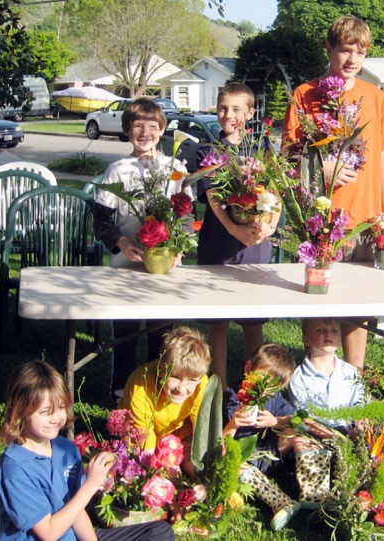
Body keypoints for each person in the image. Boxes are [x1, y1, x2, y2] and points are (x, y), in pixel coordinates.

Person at [281, 15, 384, 370]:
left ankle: (354, 381)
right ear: (329, 49)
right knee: (319, 305)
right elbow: (288, 158)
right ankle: (317, 382)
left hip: (363, 219)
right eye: (345, 50)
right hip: (317, 224)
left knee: (357, 310)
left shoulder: (375, 97)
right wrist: (321, 168)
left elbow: (383, 161)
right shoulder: (305, 95)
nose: (352, 60)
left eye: (360, 53)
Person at [0, 360, 174, 541]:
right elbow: (48, 533)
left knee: (160, 532)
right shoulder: (15, 469)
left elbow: (76, 510)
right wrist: (90, 486)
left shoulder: (65, 448)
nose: (56, 418)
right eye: (45, 412)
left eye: (61, 408)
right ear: (20, 410)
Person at [93, 98, 188, 400]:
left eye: (152, 126)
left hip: (165, 267)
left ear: (162, 129)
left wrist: (179, 249)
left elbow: (185, 215)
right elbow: (101, 221)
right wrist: (122, 243)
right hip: (126, 265)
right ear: (126, 130)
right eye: (137, 126)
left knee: (162, 335)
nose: (145, 133)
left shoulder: (175, 168)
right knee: (125, 335)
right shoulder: (117, 170)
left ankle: (157, 390)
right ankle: (121, 392)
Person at [195, 82, 281, 389]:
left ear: (249, 113)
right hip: (218, 243)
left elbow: (276, 189)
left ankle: (252, 388)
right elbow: (215, 197)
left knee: (252, 320)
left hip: (256, 245)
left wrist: (270, 225)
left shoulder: (262, 147)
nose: (228, 114)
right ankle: (217, 388)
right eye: (222, 108)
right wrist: (234, 228)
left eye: (235, 109)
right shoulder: (207, 151)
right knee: (216, 323)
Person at [223, 344, 333, 527]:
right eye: (261, 379)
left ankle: (315, 497)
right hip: (242, 463)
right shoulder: (229, 399)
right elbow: (217, 443)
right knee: (231, 459)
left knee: (300, 434)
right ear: (248, 368)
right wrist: (233, 423)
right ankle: (281, 503)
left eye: (273, 386)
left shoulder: (272, 398)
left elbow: (299, 419)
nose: (264, 388)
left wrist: (275, 421)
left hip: (269, 453)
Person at [119, 327, 210, 477]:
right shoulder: (140, 386)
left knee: (200, 470)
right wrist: (166, 468)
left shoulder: (202, 383)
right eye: (175, 377)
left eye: (192, 380)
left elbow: (201, 426)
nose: (181, 388)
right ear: (161, 371)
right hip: (141, 434)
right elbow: (144, 442)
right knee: (166, 475)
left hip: (178, 432)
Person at [289, 318, 364, 423]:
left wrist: (358, 427)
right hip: (314, 432)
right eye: (320, 330)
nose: (328, 334)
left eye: (334, 331)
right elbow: (303, 416)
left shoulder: (350, 372)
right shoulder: (299, 377)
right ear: (306, 340)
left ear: (340, 339)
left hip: (349, 431)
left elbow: (359, 404)